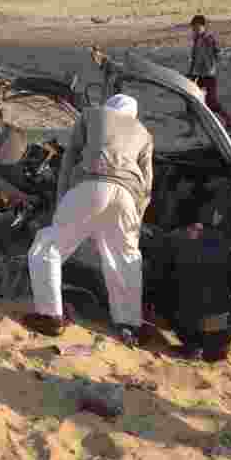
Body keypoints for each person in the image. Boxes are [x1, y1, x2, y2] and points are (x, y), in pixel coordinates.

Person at [25, 94, 154, 345]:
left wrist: (62, 200)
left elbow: (70, 159)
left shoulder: (92, 115)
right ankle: (129, 324)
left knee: (48, 246)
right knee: (125, 258)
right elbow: (147, 184)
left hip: (93, 185)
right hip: (127, 196)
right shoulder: (144, 134)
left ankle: (50, 315)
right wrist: (136, 220)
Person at [187, 15, 231, 129]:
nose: (195, 30)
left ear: (203, 26)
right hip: (197, 74)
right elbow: (195, 57)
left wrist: (216, 60)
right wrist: (191, 72)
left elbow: (218, 53)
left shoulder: (210, 39)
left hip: (209, 74)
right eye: (194, 28)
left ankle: (229, 120)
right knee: (190, 101)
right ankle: (192, 128)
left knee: (211, 102)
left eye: (197, 28)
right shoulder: (197, 38)